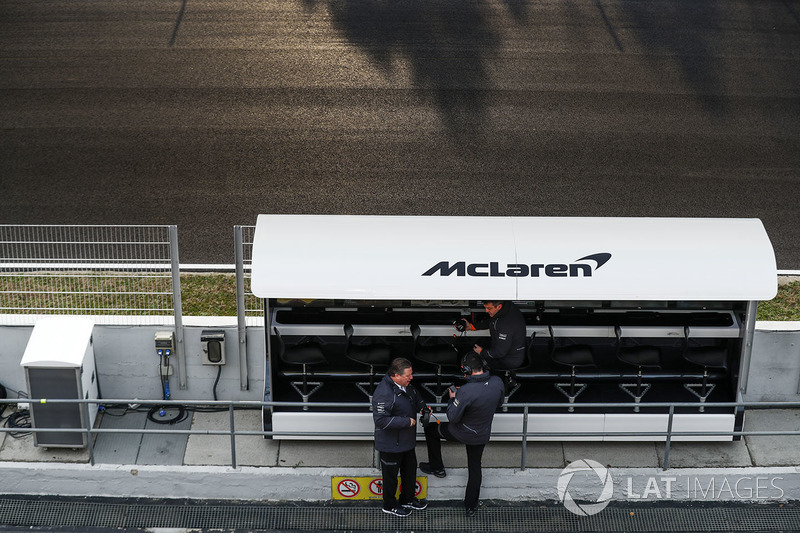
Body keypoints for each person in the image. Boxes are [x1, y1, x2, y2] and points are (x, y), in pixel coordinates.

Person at [419, 353, 505, 517]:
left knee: (431, 430)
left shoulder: (466, 392)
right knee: (475, 468)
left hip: (460, 431)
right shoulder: (497, 382)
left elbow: (452, 417)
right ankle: (471, 507)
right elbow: (499, 402)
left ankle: (437, 468)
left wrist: (454, 398)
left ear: (466, 370)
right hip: (481, 434)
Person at [372, 357, 430, 517]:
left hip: (406, 442)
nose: (411, 378)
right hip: (390, 445)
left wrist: (424, 409)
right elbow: (380, 420)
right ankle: (389, 505)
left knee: (409, 471)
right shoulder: (383, 393)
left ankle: (407, 499)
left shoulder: (407, 386)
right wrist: (406, 422)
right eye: (408, 375)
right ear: (396, 376)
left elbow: (416, 398)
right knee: (390, 478)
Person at [458, 301, 527, 371]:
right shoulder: (507, 307)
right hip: (510, 351)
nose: (486, 311)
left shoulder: (505, 324)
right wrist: (472, 326)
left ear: (499, 306)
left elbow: (499, 352)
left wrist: (482, 352)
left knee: (473, 361)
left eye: (489, 308)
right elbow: (493, 321)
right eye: (485, 307)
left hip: (508, 361)